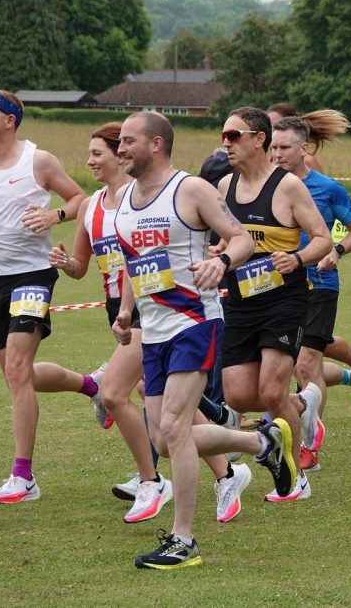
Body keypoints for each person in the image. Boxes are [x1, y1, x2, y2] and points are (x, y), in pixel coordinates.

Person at [110, 111, 290, 569]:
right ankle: (262, 443)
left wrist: (223, 262)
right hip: (152, 332)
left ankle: (183, 540)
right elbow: (137, 262)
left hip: (195, 322)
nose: (120, 148)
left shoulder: (189, 189)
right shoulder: (125, 199)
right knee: (169, 439)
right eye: (119, 142)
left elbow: (240, 238)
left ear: (156, 144)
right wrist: (127, 310)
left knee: (173, 427)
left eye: (129, 140)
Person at [42, 122, 169, 522]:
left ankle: (152, 481)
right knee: (155, 394)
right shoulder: (91, 205)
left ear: (121, 154)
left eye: (97, 153)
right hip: (118, 308)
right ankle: (234, 457)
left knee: (122, 393)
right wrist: (66, 263)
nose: (89, 161)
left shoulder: (145, 197)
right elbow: (81, 267)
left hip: (154, 302)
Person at [211, 106, 334, 502]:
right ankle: (303, 403)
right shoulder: (224, 186)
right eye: (223, 136)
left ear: (257, 139)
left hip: (285, 299)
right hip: (241, 301)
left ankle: (297, 477)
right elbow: (226, 239)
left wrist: (297, 258)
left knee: (270, 388)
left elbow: (322, 238)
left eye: (234, 136)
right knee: (237, 395)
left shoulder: (287, 186)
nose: (225, 143)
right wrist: (220, 249)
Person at [0, 90, 86, 505]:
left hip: (34, 274)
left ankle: (23, 476)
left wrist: (53, 215)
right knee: (17, 375)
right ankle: (91, 386)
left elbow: (79, 198)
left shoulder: (37, 161)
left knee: (19, 368)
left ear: (9, 120)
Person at [269, 115, 351, 475]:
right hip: (275, 288)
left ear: (304, 149)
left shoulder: (327, 188)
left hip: (319, 283)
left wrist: (337, 250)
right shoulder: (264, 187)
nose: (276, 154)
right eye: (273, 147)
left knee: (305, 366)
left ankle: (308, 445)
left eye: (284, 147)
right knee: (285, 368)